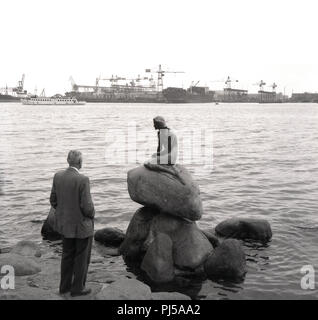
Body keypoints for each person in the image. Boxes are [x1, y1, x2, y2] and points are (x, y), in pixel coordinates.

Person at [50, 150, 95, 297]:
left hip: (65, 225)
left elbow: (53, 200)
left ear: (68, 161)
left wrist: (64, 213)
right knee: (82, 257)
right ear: (80, 163)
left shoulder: (58, 176)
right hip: (81, 226)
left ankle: (64, 288)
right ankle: (77, 289)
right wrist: (92, 215)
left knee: (67, 255)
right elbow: (87, 207)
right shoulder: (83, 180)